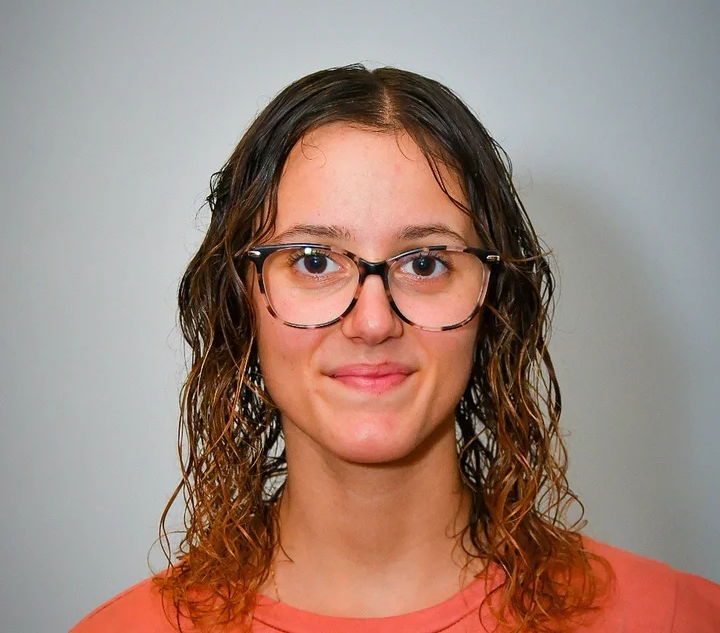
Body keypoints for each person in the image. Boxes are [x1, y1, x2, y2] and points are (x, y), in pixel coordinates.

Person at [70, 65, 720, 632]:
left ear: (492, 301)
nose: (373, 322)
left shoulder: (677, 619)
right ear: (241, 301)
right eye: (315, 260)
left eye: (426, 263)